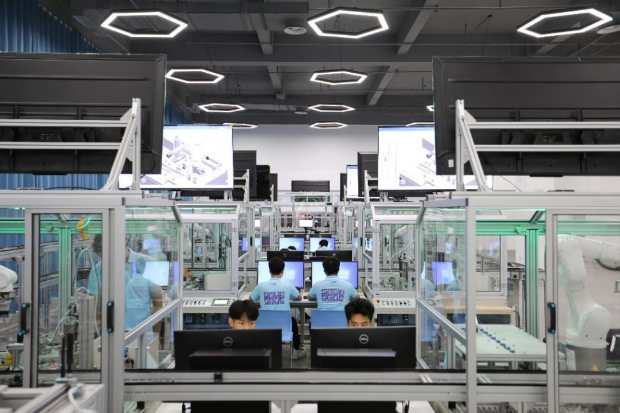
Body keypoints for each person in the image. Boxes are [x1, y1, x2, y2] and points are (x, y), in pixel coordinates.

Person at [88, 237, 164, 331]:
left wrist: (155, 335)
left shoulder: (147, 263)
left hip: (141, 334)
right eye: (101, 255)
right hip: (111, 334)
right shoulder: (97, 271)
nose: (106, 258)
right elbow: (97, 308)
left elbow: (158, 304)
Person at [250, 257, 305, 358]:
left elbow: (251, 298)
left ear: (269, 271)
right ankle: (296, 351)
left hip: (265, 326)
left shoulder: (261, 286)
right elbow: (299, 297)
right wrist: (288, 297)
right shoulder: (288, 286)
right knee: (293, 321)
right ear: (283, 271)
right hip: (283, 328)